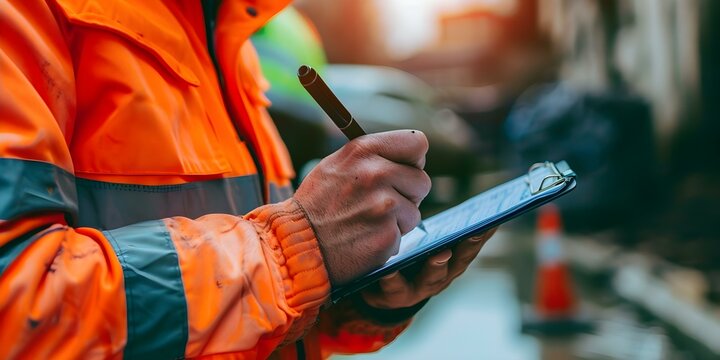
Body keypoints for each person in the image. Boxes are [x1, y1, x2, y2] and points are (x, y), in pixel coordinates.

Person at [0, 1, 495, 359]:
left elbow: (256, 320)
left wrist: (360, 292)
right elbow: (15, 310)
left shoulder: (229, 44)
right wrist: (298, 248)